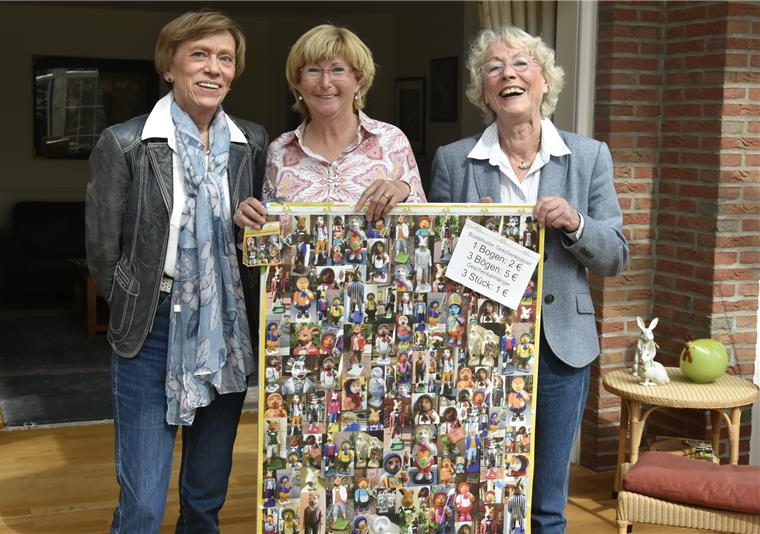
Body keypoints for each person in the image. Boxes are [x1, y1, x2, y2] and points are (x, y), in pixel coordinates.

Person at [429, 27, 628, 533]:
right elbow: (430, 264)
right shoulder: (454, 161)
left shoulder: (588, 157)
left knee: (546, 498)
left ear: (544, 82)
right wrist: (466, 233)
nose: (508, 74)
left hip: (560, 343)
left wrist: (576, 223)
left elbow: (615, 256)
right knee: (473, 484)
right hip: (477, 348)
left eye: (521, 64)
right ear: (482, 90)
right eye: (494, 68)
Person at [86, 11, 268, 533]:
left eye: (225, 58)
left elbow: (262, 236)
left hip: (226, 326)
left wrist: (246, 227)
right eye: (199, 55)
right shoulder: (125, 143)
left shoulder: (250, 142)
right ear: (170, 66)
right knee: (143, 503)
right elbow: (102, 252)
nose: (213, 69)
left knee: (205, 497)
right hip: (152, 327)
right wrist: (136, 307)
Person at [234, 23, 426, 229]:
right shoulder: (279, 150)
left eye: (337, 69)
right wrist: (248, 222)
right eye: (313, 70)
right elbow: (267, 235)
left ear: (358, 80)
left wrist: (404, 190)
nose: (325, 82)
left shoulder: (390, 140)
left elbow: (427, 227)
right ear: (297, 83)